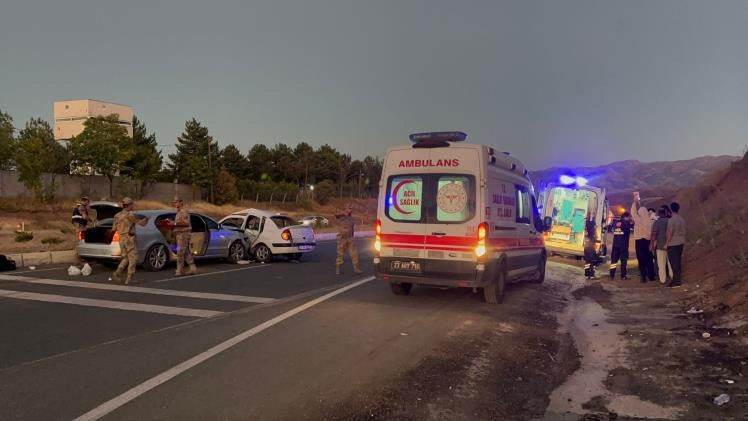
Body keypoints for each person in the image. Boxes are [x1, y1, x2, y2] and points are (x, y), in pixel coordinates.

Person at [112, 197, 149, 285]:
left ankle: (117, 273)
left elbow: (113, 228)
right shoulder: (130, 215)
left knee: (126, 258)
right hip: (129, 239)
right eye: (132, 204)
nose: (133, 206)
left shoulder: (117, 215)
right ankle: (129, 279)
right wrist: (147, 219)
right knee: (133, 259)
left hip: (121, 239)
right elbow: (142, 224)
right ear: (129, 205)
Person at [631, 192, 655, 282]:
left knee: (641, 259)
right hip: (648, 241)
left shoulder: (638, 219)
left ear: (640, 213)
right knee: (649, 258)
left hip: (639, 242)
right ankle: (651, 276)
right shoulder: (650, 221)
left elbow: (633, 212)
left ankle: (643, 277)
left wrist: (635, 201)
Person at [335, 203, 362, 275]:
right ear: (346, 208)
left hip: (350, 238)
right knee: (340, 254)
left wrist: (352, 236)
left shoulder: (351, 218)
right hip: (342, 238)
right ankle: (337, 268)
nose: (351, 210)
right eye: (350, 208)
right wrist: (344, 213)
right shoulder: (341, 215)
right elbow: (336, 215)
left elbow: (352, 228)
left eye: (352, 209)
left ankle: (356, 268)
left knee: (354, 254)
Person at [172, 197, 196, 276]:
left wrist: (174, 224)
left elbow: (186, 223)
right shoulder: (178, 212)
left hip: (184, 234)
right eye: (174, 202)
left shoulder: (183, 211)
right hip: (179, 234)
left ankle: (179, 270)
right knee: (185, 252)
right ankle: (192, 268)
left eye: (176, 202)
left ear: (181, 202)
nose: (175, 204)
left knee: (180, 252)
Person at [665, 202, 686, 287]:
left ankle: (676, 281)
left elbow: (670, 232)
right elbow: (684, 232)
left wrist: (666, 243)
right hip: (680, 243)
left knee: (674, 262)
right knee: (678, 261)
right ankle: (678, 279)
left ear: (671, 209)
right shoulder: (681, 219)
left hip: (673, 243)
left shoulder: (671, 219)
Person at [71, 196, 97, 264]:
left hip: (77, 225)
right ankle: (77, 260)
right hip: (79, 226)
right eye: (88, 202)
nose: (88, 203)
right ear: (86, 201)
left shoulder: (77, 206)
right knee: (79, 243)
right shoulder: (82, 207)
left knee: (79, 242)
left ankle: (81, 258)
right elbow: (84, 217)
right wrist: (91, 220)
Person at [649, 206, 672, 285]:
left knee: (661, 264)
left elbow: (654, 234)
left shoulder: (657, 222)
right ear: (666, 213)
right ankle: (672, 277)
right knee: (670, 263)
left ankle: (663, 280)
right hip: (671, 245)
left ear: (659, 214)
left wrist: (652, 244)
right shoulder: (670, 221)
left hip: (660, 246)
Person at [609, 211, 633, 280]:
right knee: (623, 261)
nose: (629, 219)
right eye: (629, 217)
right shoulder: (626, 223)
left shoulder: (615, 222)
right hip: (623, 246)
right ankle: (623, 276)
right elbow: (628, 229)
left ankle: (612, 275)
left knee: (613, 261)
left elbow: (611, 229)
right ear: (626, 217)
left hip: (615, 244)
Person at [583, 214, 598, 279]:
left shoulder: (587, 232)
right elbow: (595, 241)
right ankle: (591, 275)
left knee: (587, 261)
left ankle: (587, 273)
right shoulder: (592, 235)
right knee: (592, 261)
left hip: (586, 248)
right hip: (591, 248)